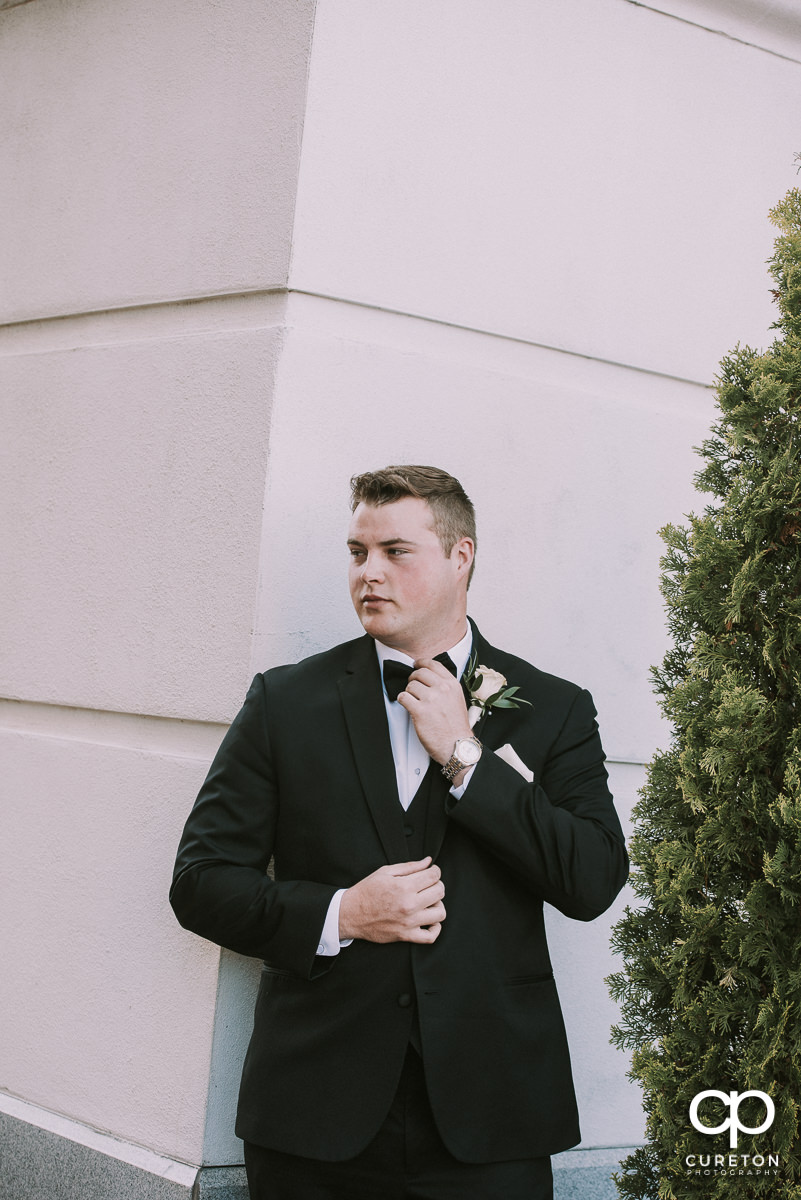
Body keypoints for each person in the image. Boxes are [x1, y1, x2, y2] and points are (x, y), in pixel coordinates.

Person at [170, 464, 628, 1200]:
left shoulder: (552, 707)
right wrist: (341, 914)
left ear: (460, 556)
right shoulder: (285, 702)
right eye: (357, 553)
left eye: (394, 551)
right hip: (314, 1118)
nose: (368, 574)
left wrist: (465, 757)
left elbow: (592, 879)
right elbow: (200, 884)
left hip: (492, 1117)